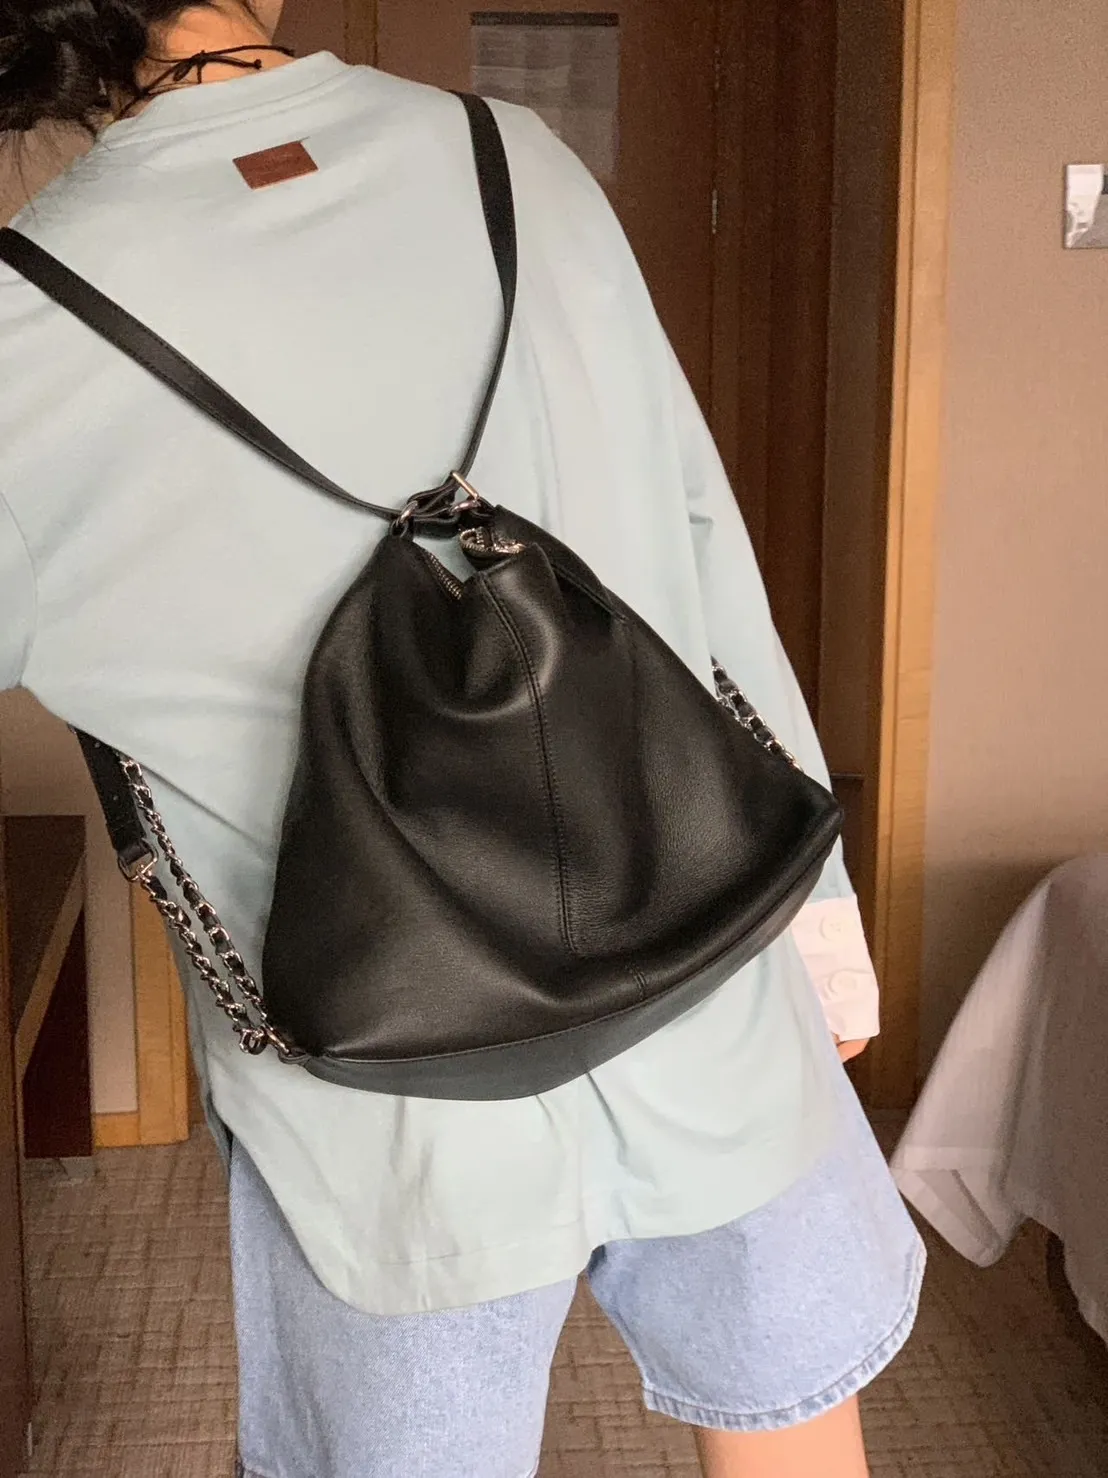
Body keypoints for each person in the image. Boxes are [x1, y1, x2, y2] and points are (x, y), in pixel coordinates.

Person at [0, 4, 924, 1475]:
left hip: (386, 1095)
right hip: (703, 959)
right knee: (791, 1423)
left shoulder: (19, 335)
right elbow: (704, 556)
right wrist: (818, 918)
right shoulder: (519, 161)